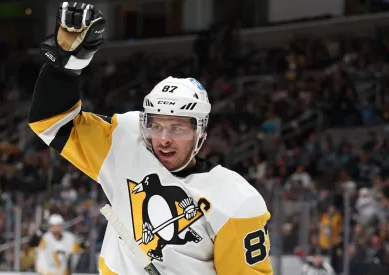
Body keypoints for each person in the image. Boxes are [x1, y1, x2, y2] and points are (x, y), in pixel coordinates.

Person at [28, 2, 273, 274]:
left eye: (177, 128)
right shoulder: (127, 145)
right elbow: (50, 121)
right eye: (157, 126)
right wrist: (66, 62)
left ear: (200, 131)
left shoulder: (235, 200)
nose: (164, 139)